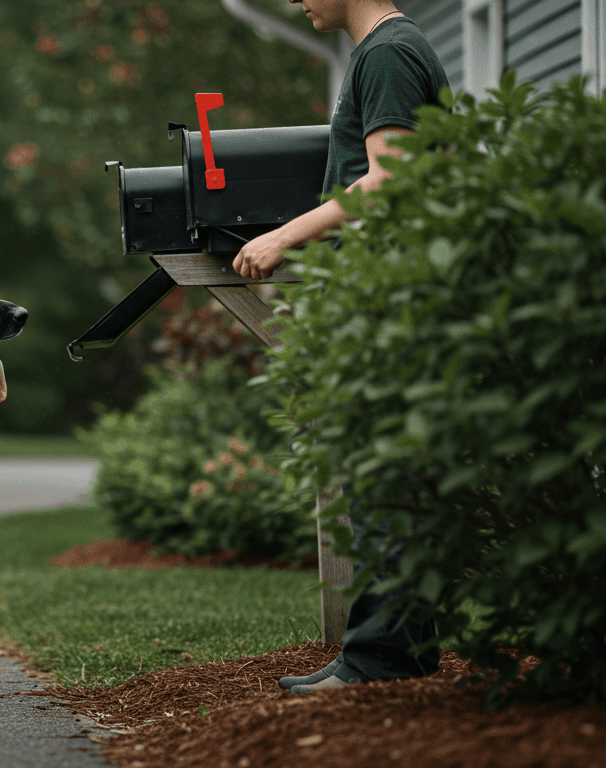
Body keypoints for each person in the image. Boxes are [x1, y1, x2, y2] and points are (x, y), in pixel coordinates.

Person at [231, 0, 451, 694]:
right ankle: (398, 654)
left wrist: (284, 235)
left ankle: (379, 661)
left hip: (389, 295)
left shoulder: (386, 53)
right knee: (390, 479)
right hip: (388, 289)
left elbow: (391, 178)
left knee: (383, 481)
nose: (296, 1)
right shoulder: (388, 49)